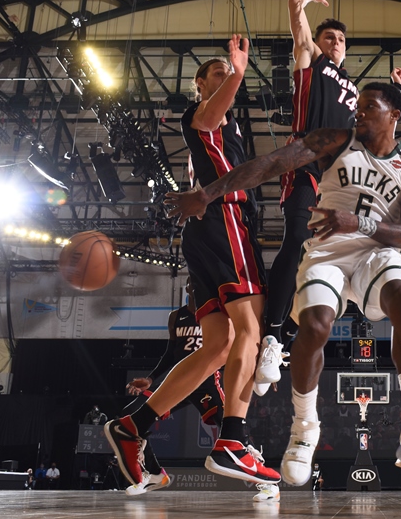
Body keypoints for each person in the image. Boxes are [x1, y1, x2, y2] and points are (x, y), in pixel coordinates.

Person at [166, 82, 401, 483]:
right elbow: (271, 164)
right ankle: (304, 430)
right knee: (313, 325)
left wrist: (358, 222)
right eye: (357, 106)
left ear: (393, 115)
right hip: (327, 250)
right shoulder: (336, 139)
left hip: (375, 250)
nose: (357, 113)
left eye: (368, 107)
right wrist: (208, 193)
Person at [105, 35, 280, 488]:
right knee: (251, 331)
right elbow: (210, 113)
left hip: (204, 233)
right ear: (200, 83)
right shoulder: (201, 118)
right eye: (216, 73)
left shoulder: (226, 131)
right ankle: (234, 441)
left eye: (228, 71)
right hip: (224, 223)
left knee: (217, 347)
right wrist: (238, 72)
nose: (226, 76)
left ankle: (132, 427)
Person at [256, 0, 401, 396]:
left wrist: (398, 95)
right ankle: (271, 338)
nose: (334, 43)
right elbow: (300, 35)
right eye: (329, 38)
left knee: (333, 255)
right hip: (305, 160)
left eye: (340, 39)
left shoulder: (356, 93)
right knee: (297, 239)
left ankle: (290, 332)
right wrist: (297, 2)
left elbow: (376, 131)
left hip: (340, 179)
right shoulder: (311, 62)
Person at [120, 290, 225, 496]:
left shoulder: (217, 314)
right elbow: (170, 353)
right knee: (131, 416)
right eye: (191, 283)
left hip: (206, 382)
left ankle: (265, 482)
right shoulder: (176, 317)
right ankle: (154, 473)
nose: (195, 287)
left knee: (232, 426)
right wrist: (150, 379)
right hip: (179, 381)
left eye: (198, 282)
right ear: (187, 289)